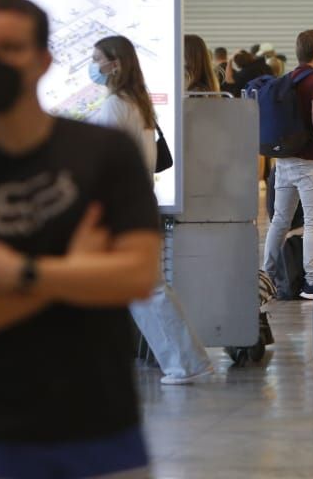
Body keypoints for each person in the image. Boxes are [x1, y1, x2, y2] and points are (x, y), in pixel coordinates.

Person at [0, 0, 161, 479]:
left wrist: (19, 273)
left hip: (101, 421)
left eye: (9, 47)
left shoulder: (104, 154)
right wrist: (79, 269)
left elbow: (137, 275)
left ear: (43, 59)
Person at [89, 34, 214, 384]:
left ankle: (188, 363)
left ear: (115, 63)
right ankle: (185, 362)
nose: (93, 65)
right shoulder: (136, 102)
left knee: (147, 290)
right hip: (137, 200)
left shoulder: (116, 105)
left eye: (97, 58)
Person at [261, 30, 313, 299]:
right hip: (309, 162)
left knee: (280, 219)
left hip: (284, 160)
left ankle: (267, 275)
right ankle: (312, 281)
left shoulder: (291, 77)